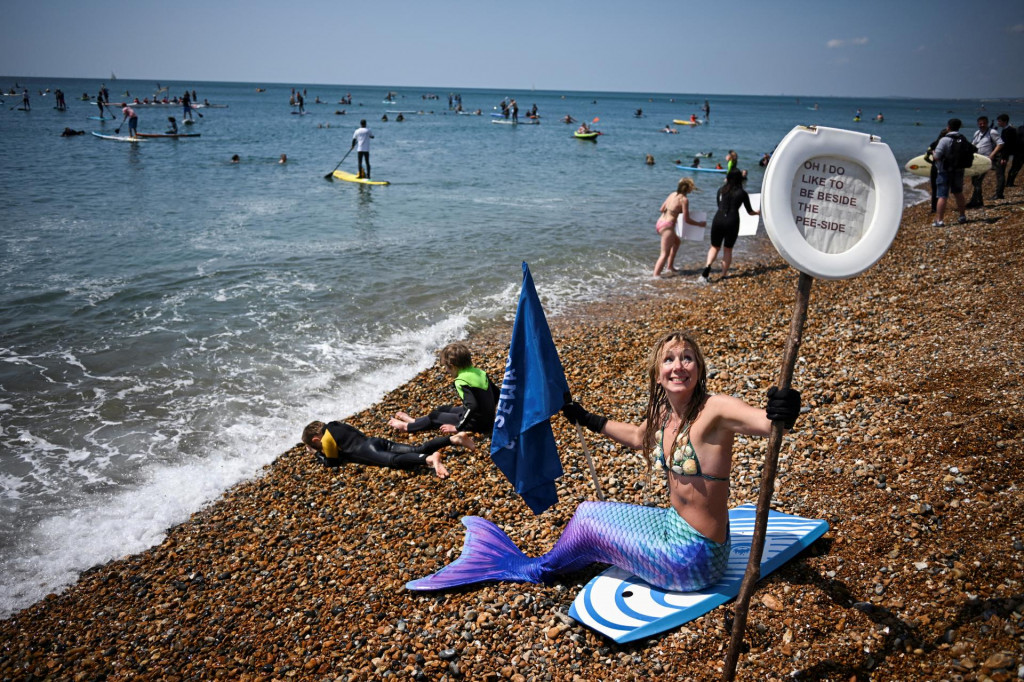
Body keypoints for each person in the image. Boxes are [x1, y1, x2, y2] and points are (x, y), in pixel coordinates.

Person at [406, 331, 801, 593]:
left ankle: (532, 569)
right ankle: (538, 562)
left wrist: (783, 409)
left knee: (588, 523)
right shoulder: (665, 412)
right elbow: (636, 437)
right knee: (588, 511)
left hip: (695, 558)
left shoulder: (715, 409)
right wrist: (587, 419)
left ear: (699, 369)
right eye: (669, 359)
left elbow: (769, 425)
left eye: (687, 358)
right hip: (672, 526)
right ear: (658, 372)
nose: (678, 365)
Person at [301, 420, 477, 479]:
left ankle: (429, 460)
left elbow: (332, 462)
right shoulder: (335, 424)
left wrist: (317, 453)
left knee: (393, 461)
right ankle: (454, 439)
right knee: (418, 448)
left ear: (317, 439)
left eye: (316, 444)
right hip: (376, 441)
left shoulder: (326, 439)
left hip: (368, 451)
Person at [390, 342, 499, 435]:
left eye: (446, 367)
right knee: (443, 409)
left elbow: (472, 406)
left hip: (478, 425)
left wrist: (457, 428)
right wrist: (488, 410)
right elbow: (497, 393)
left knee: (434, 416)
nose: (446, 370)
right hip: (487, 419)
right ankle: (415, 421)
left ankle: (407, 427)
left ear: (453, 366)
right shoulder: (480, 372)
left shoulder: (461, 381)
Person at [698, 170, 759, 283]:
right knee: (728, 249)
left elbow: (719, 205)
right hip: (732, 220)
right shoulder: (742, 193)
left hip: (718, 219)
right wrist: (758, 212)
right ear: (740, 179)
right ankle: (723, 274)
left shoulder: (720, 190)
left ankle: (707, 268)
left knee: (714, 247)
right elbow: (749, 211)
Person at [654, 178, 704, 277]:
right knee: (664, 254)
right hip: (667, 227)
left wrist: (674, 211)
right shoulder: (684, 200)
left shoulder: (672, 194)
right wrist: (699, 224)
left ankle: (670, 266)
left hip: (660, 223)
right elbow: (687, 219)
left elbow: (661, 209)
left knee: (677, 242)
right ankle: (655, 276)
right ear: (688, 189)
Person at [932, 118, 969, 227]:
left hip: (944, 171)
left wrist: (933, 153)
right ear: (959, 127)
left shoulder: (944, 140)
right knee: (958, 193)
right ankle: (962, 216)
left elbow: (937, 157)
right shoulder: (963, 138)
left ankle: (939, 220)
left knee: (942, 196)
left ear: (948, 127)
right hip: (958, 170)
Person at [967, 115, 1001, 209]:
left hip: (985, 160)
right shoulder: (977, 133)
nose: (982, 125)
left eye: (984, 123)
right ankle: (975, 200)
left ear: (987, 123)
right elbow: (973, 144)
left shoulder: (992, 132)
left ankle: (979, 201)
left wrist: (992, 155)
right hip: (976, 160)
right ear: (978, 124)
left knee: (978, 181)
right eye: (980, 123)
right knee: (974, 181)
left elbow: (1000, 144)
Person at [924, 126, 948, 214]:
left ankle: (934, 208)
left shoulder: (933, 144)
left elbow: (925, 157)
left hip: (934, 168)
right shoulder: (948, 144)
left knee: (934, 189)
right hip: (945, 168)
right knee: (943, 189)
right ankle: (941, 207)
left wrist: (932, 163)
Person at [993, 114, 1016, 200]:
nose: (998, 123)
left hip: (1004, 155)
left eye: (999, 121)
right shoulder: (1007, 130)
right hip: (1005, 154)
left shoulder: (1008, 131)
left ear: (1004, 121)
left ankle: (999, 193)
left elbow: (1008, 145)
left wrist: (1004, 157)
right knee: (1000, 173)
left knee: (1000, 174)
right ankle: (999, 193)